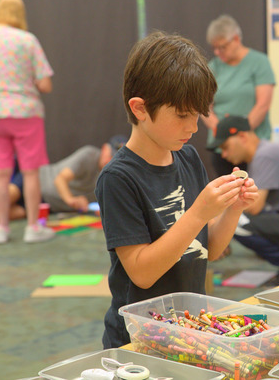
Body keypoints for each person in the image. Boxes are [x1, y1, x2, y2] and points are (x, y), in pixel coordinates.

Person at [95, 31, 259, 348]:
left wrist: (232, 208)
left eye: (197, 114)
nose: (193, 127)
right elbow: (142, 272)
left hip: (188, 330)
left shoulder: (188, 157)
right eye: (183, 115)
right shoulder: (118, 178)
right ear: (140, 109)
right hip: (138, 339)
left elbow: (207, 249)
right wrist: (198, 213)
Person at [0, 0, 55, 244]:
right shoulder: (27, 40)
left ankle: (1, 228)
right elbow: (45, 83)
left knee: (0, 172)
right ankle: (33, 227)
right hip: (24, 111)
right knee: (30, 172)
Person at [208, 116, 279, 285]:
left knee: (238, 222)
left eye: (225, 147)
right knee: (239, 218)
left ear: (242, 137)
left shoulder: (265, 156)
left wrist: (214, 218)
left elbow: (254, 207)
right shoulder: (267, 152)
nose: (224, 155)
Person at [0, 136, 127, 221]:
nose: (110, 159)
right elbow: (60, 179)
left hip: (48, 205)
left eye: (116, 157)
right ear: (104, 148)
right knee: (9, 196)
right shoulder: (89, 154)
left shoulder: (111, 177)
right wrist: (71, 200)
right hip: (38, 180)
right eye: (110, 154)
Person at [204, 14, 276, 177]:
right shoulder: (212, 67)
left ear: (236, 39)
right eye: (214, 48)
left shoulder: (259, 62)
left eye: (222, 47)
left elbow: (262, 105)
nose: (217, 52)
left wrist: (240, 135)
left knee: (254, 197)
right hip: (221, 147)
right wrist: (221, 132)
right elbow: (204, 108)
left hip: (252, 144)